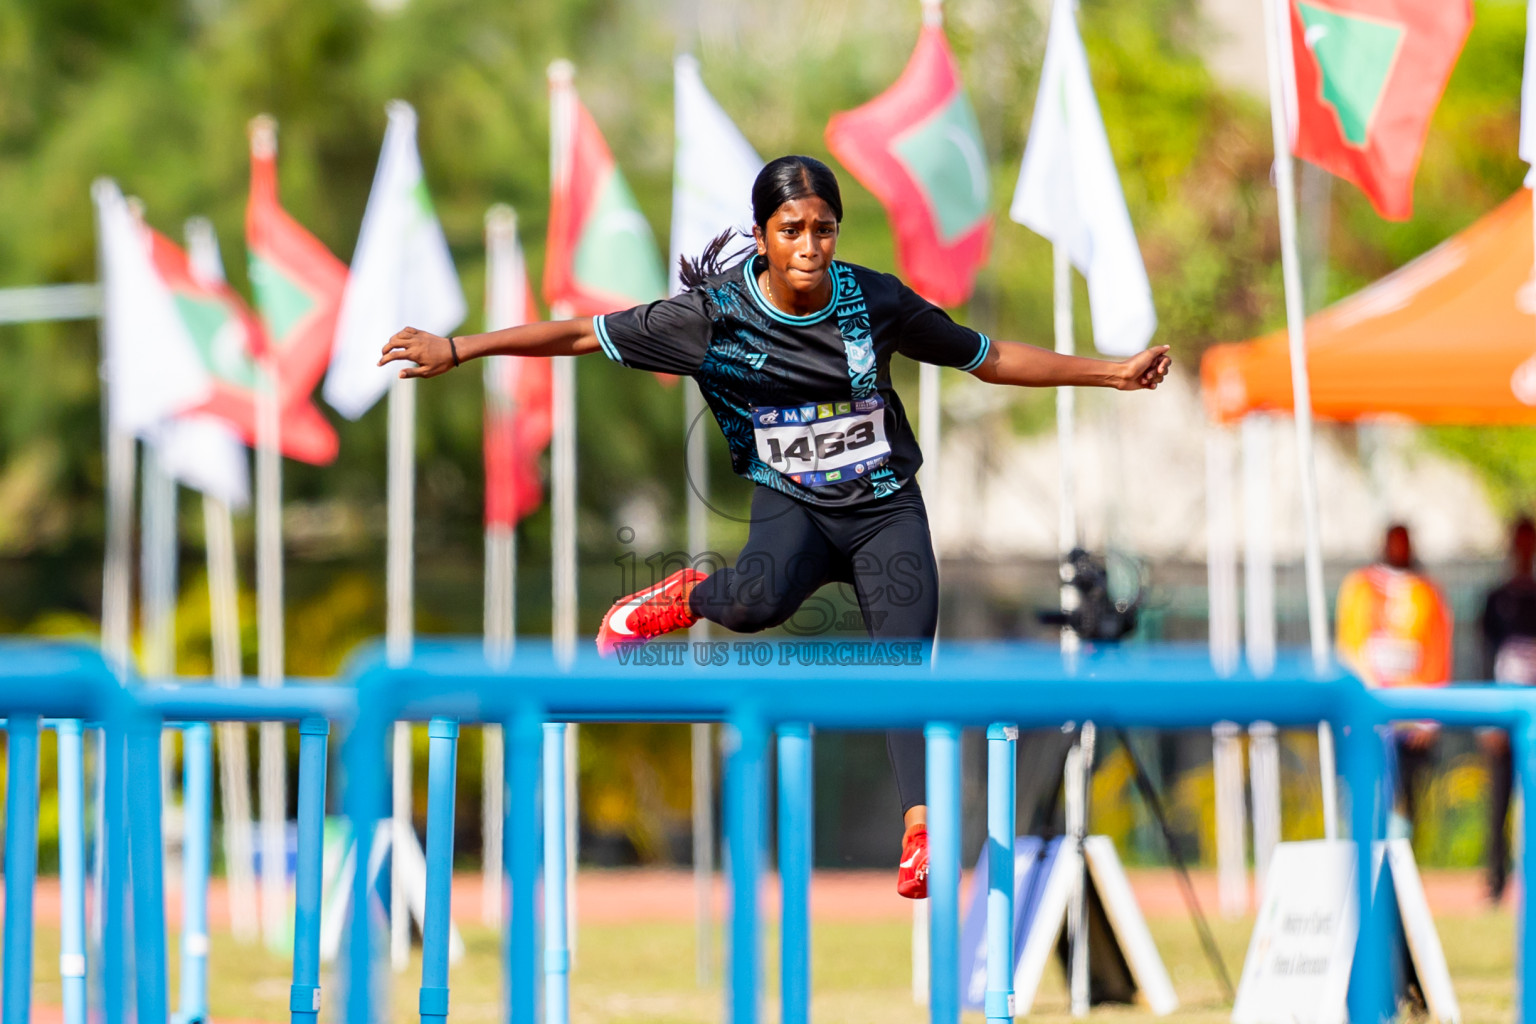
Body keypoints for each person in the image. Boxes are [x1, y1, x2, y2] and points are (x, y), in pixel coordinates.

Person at [379, 155, 1172, 898]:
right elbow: (584, 332)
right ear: (761, 237)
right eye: (792, 230)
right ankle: (693, 594)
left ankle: (920, 830)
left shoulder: (875, 300)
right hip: (792, 506)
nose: (810, 245)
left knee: (904, 661)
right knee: (758, 606)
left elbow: (985, 357)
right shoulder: (712, 317)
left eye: (823, 228)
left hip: (884, 507)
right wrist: (459, 347)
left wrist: (1111, 371)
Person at [1335, 523, 1453, 836]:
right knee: (1365, 791)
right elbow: (1347, 645)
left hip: (1410, 713)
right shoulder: (1359, 586)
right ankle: (1365, 863)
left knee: (1407, 799)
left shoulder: (1427, 591)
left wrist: (1429, 715)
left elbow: (1438, 649)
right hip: (1368, 710)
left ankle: (1399, 868)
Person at [1478, 517, 1536, 902]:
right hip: (1503, 711)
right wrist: (1488, 717)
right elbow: (1485, 658)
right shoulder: (1496, 598)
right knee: (1499, 799)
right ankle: (1496, 881)